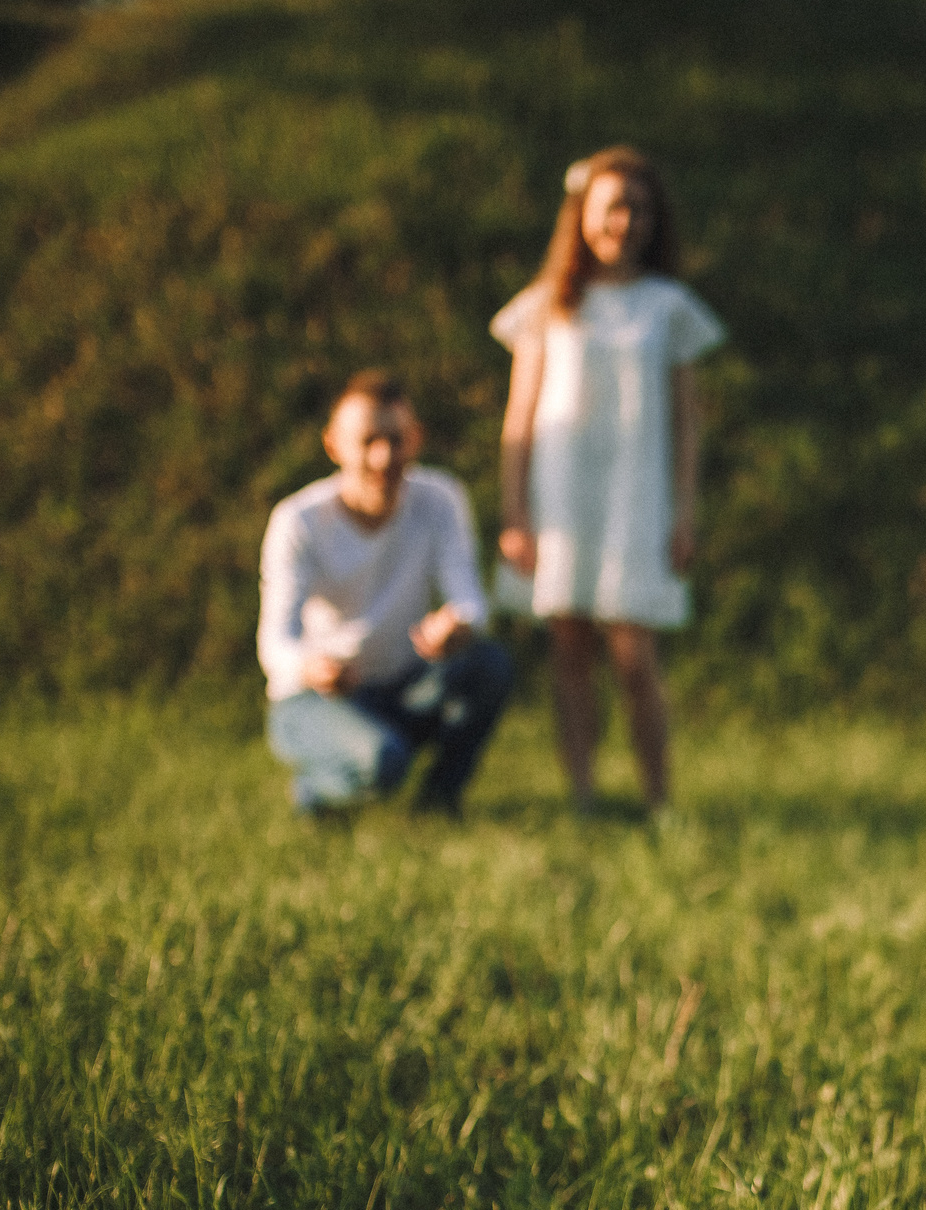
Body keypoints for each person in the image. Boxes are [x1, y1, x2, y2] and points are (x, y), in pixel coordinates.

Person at [491, 146, 725, 813]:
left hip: (636, 496)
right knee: (568, 650)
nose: (625, 222)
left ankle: (659, 798)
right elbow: (521, 415)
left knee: (634, 654)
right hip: (561, 495)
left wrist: (684, 512)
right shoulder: (548, 304)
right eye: (613, 207)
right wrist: (515, 512)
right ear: (582, 215)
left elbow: (686, 423)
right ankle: (584, 793)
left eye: (639, 208)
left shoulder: (668, 307)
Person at [258, 370, 514, 817]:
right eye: (368, 441)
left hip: (404, 685)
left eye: (396, 440)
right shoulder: (298, 521)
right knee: (384, 763)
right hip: (318, 697)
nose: (384, 457)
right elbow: (274, 641)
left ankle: (438, 804)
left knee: (490, 664)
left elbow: (470, 599)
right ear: (333, 445)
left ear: (416, 439)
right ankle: (316, 789)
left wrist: (457, 624)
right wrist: (309, 666)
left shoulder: (441, 499)